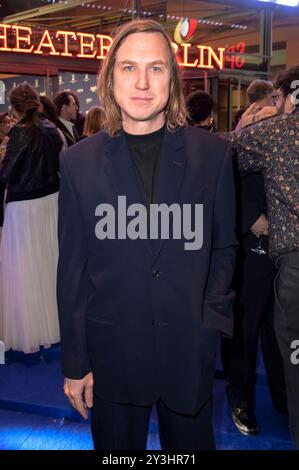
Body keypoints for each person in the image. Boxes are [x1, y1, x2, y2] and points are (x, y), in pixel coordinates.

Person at [57, 19, 237, 450]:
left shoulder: (213, 155)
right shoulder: (78, 163)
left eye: (155, 68)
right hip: (111, 355)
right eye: (128, 68)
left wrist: (208, 327)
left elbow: (225, 250)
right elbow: (72, 270)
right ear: (110, 78)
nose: (141, 82)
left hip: (187, 354)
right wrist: (76, 361)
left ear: (171, 80)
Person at [227, 65, 299, 448]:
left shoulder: (279, 130)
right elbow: (225, 184)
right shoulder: (254, 135)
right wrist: (252, 219)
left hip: (285, 254)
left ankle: (284, 399)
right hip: (254, 252)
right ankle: (240, 401)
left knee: (280, 334)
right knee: (247, 327)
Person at [0, 82, 63, 354]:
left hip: (24, 207)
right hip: (51, 201)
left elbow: (7, 175)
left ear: (14, 106)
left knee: (24, 268)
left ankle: (30, 330)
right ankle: (54, 324)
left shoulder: (20, 132)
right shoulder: (51, 129)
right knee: (49, 265)